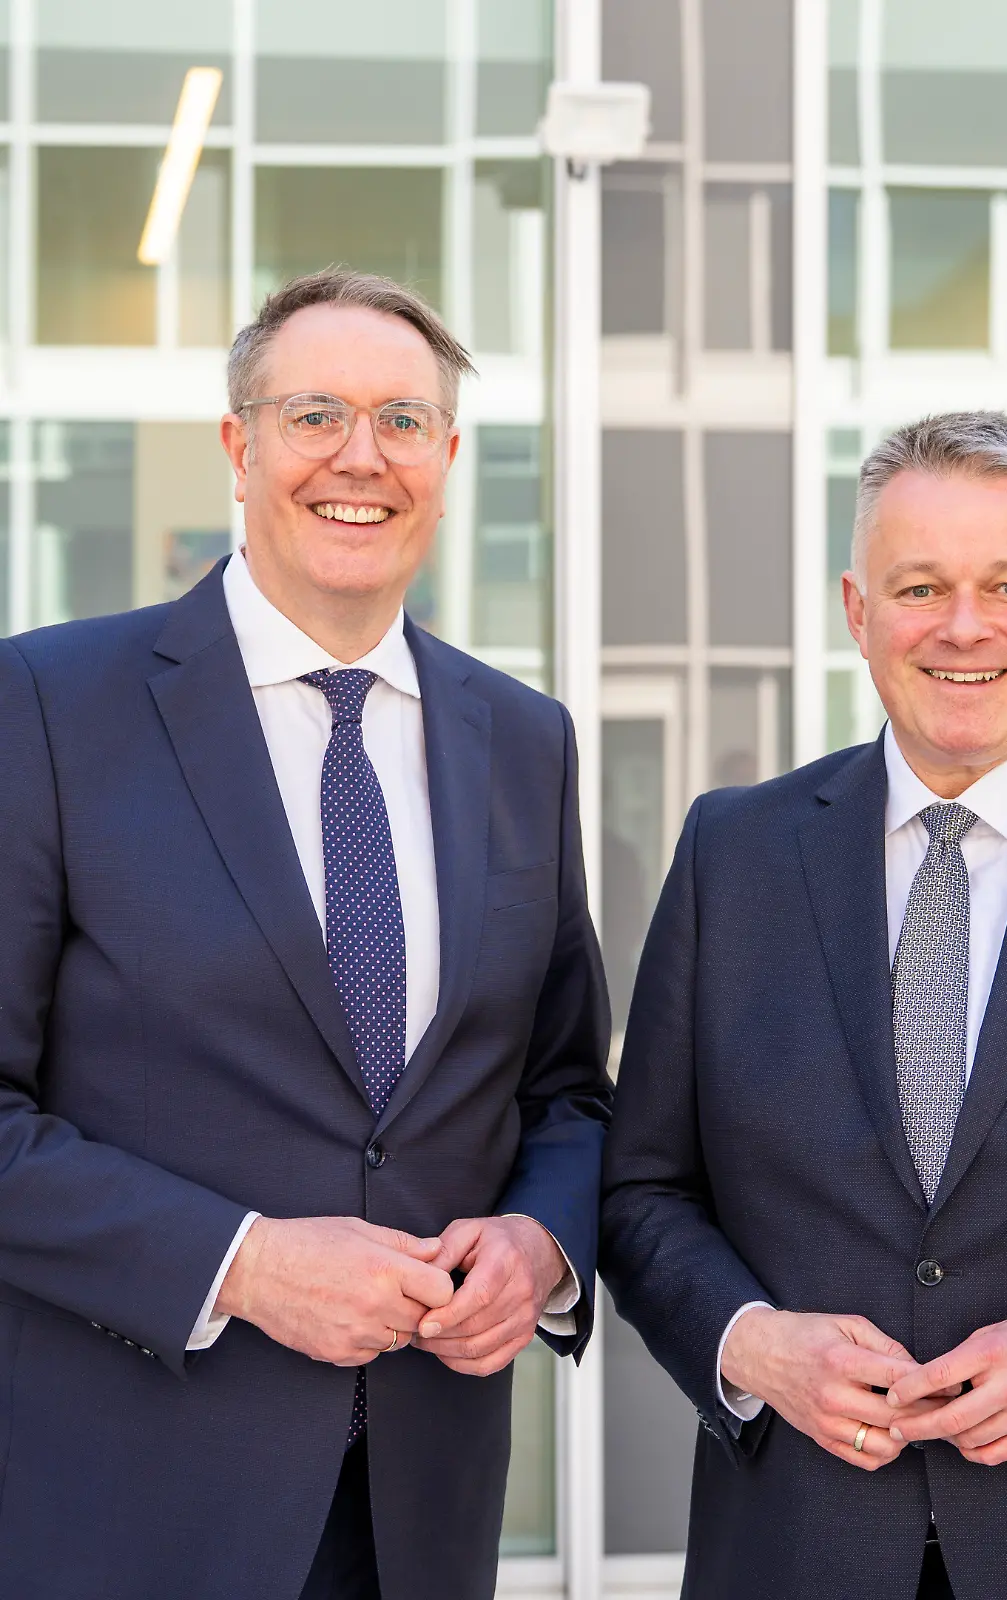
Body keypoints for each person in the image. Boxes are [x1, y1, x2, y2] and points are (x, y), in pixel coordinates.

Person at [0, 268, 611, 1600]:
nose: (360, 456)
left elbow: (565, 1090)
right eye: (315, 413)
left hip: (421, 1513)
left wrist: (540, 1245)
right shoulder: (48, 706)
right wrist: (250, 1265)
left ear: (447, 461)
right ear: (239, 446)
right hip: (126, 1508)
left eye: (403, 421)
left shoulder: (523, 741)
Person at [600, 411, 1007, 1599]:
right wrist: (752, 1344)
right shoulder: (736, 853)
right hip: (798, 1547)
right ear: (856, 610)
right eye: (919, 585)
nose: (963, 626)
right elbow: (641, 1190)